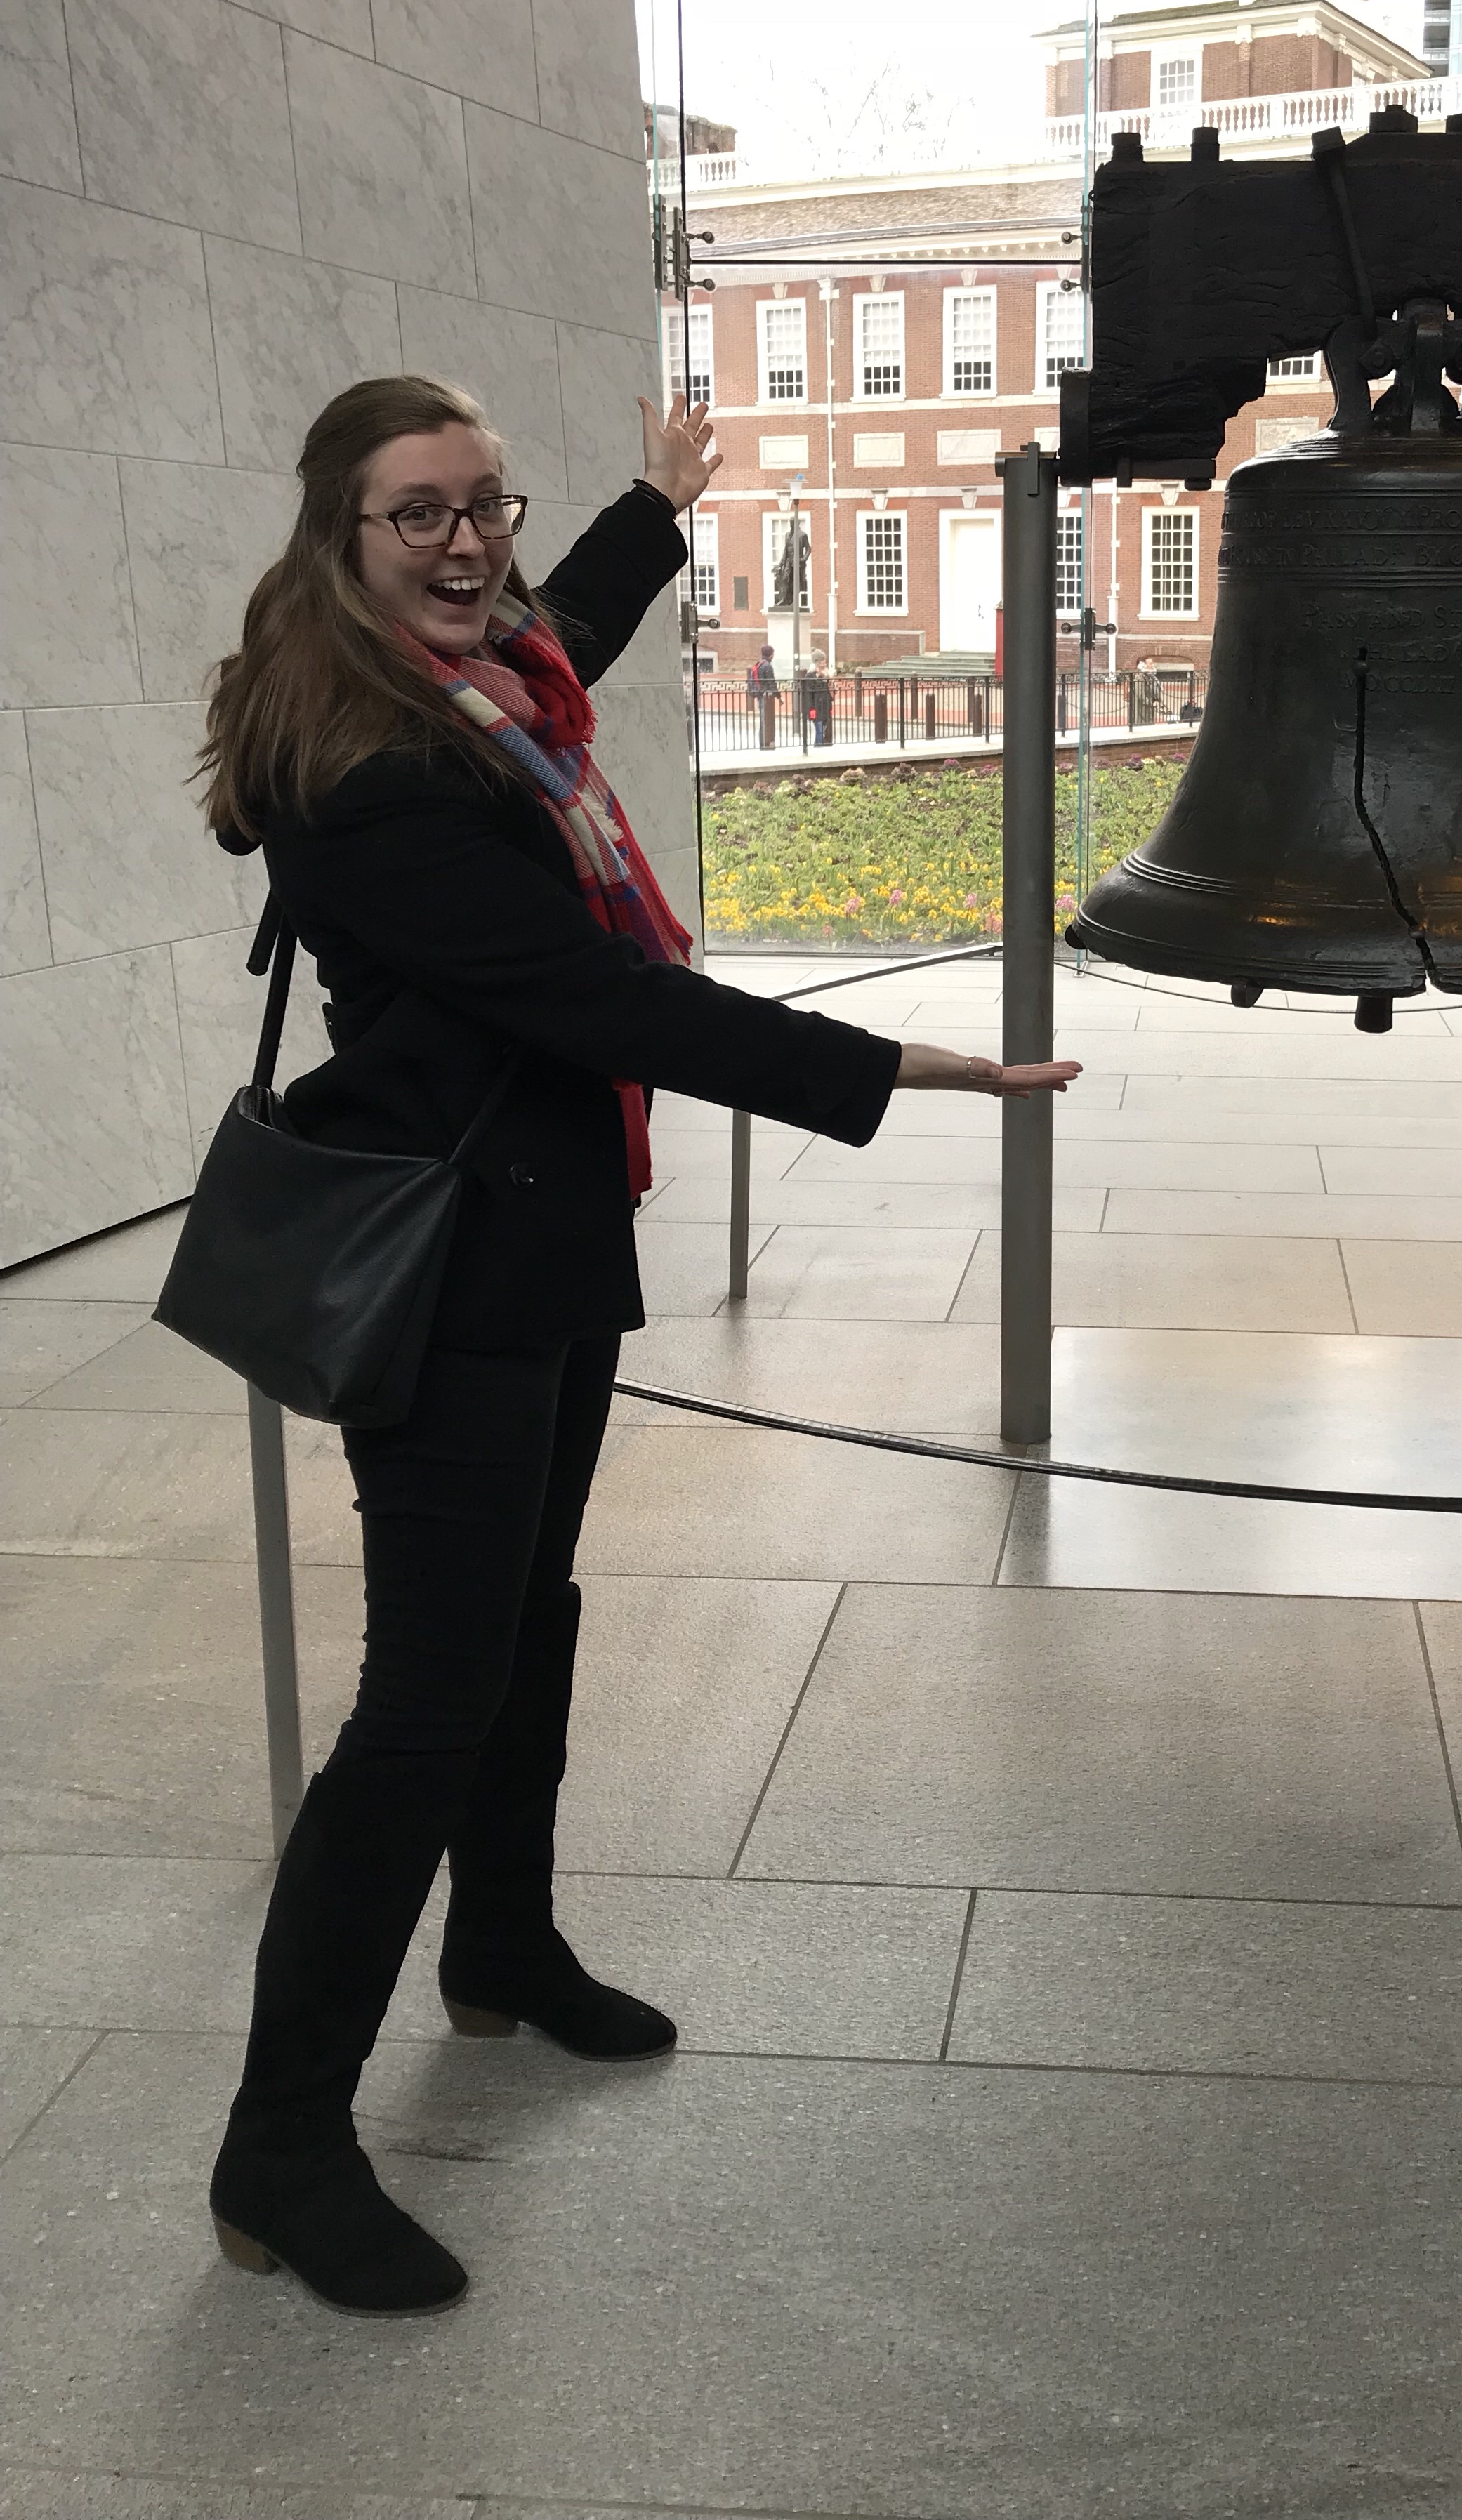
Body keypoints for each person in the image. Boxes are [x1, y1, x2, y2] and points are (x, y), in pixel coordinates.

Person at [195, 374, 1079, 2320]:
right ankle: (281, 2146)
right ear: (340, 534)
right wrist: (898, 1068)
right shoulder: (370, 772)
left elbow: (559, 628)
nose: (466, 545)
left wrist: (653, 507)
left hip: (545, 1234)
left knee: (534, 1618)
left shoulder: (481, 695)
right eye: (419, 513)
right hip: (446, 1272)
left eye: (485, 505)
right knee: (424, 1700)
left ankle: (501, 1949)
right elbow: (601, 1000)